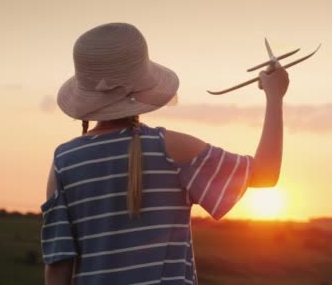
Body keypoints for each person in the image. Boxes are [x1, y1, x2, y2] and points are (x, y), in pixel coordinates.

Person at [41, 22, 289, 285]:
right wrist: (275, 97)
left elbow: (58, 266)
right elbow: (266, 174)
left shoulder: (63, 163)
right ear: (144, 85)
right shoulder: (171, 150)